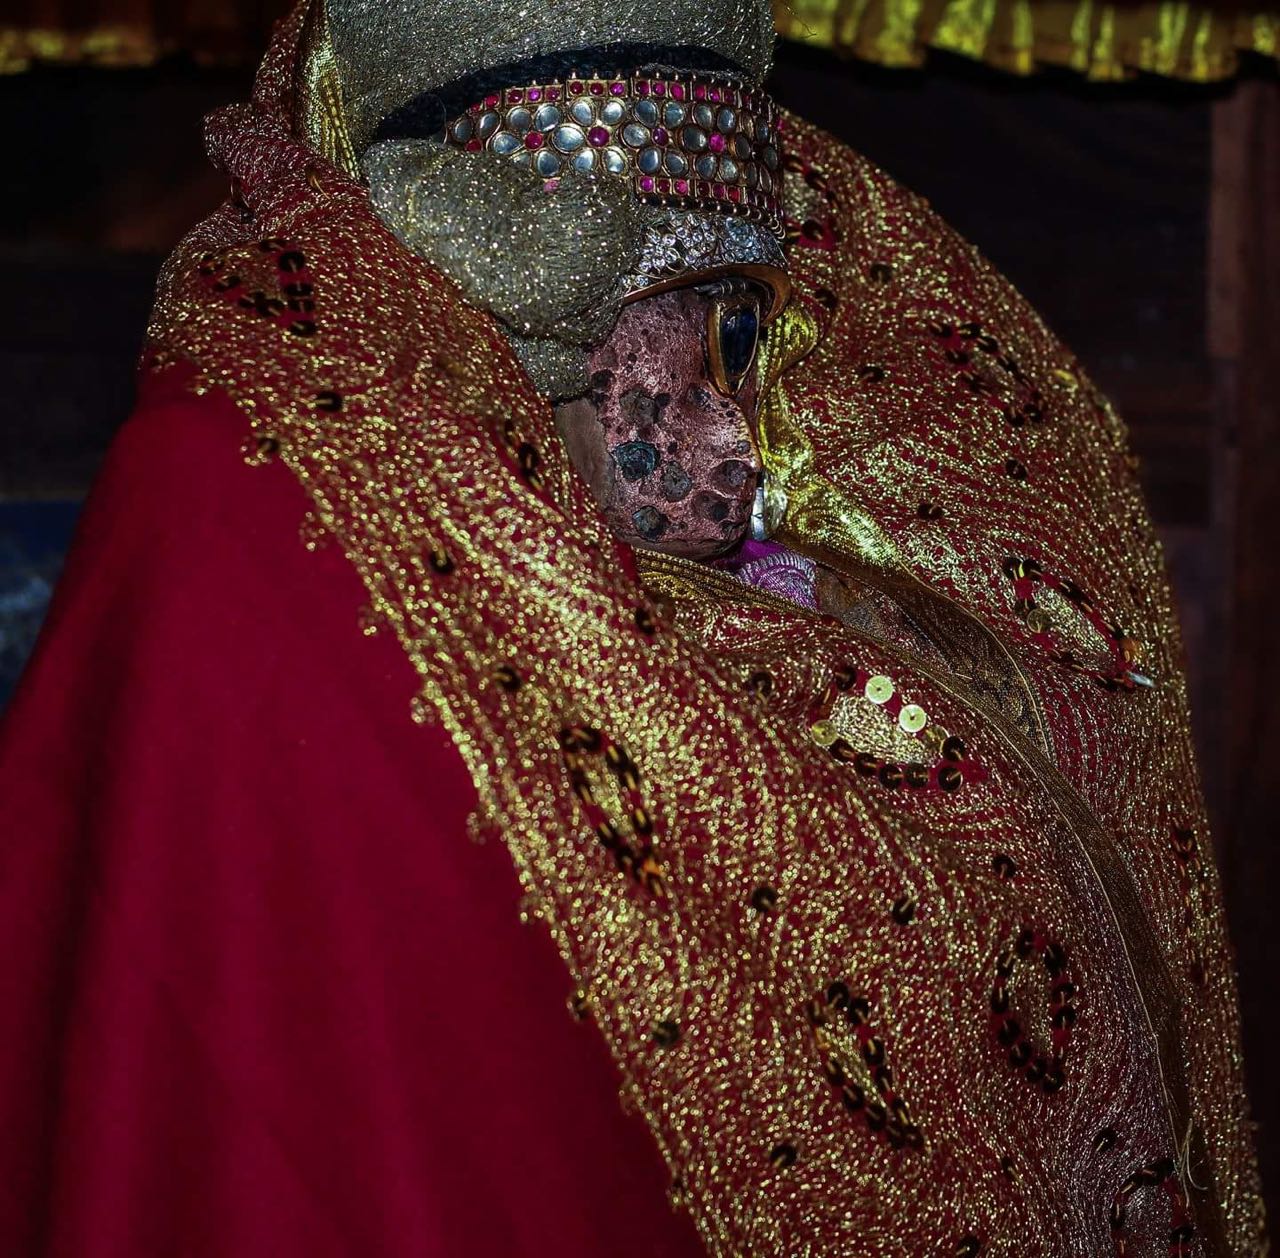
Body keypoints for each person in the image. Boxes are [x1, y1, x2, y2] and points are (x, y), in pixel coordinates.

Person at [0, 0, 1266, 1254]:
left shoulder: (829, 606)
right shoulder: (263, 539)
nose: (742, 444)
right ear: (520, 312)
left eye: (743, 342)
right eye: (692, 340)